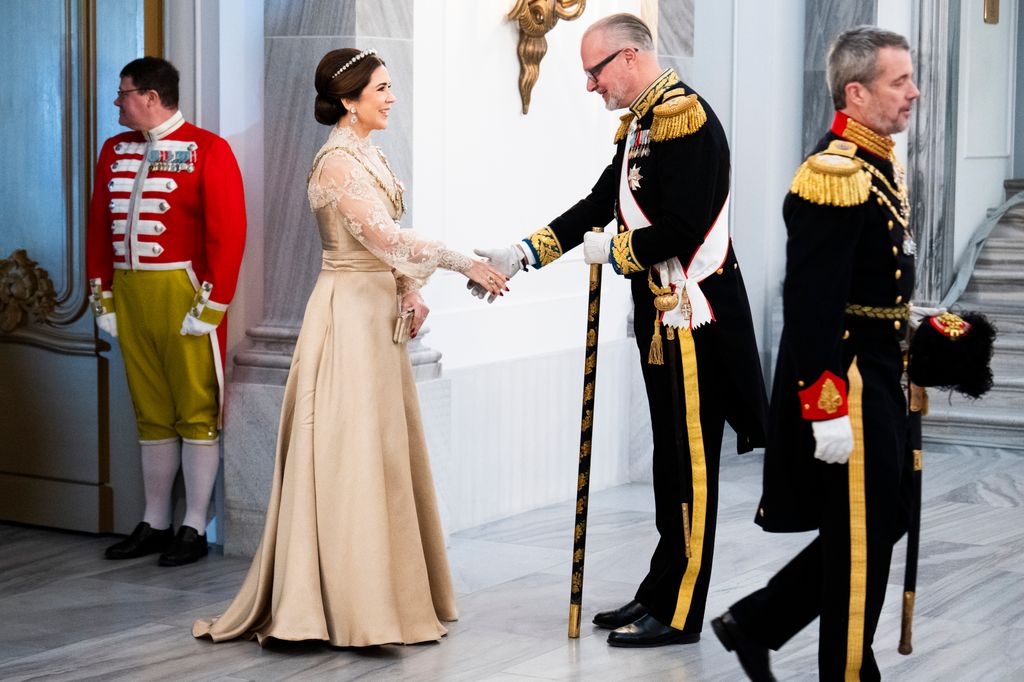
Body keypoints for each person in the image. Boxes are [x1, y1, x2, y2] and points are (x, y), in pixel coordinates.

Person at [192, 48, 507, 647]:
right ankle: (334, 606)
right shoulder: (335, 161)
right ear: (348, 100)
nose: (391, 97)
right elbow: (387, 238)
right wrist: (464, 261)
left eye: (391, 86)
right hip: (343, 317)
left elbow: (386, 251)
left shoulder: (368, 152)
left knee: (379, 455)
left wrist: (411, 290)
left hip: (375, 315)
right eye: (381, 89)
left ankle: (383, 597)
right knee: (345, 455)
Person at [473, 13, 767, 648]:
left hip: (695, 322)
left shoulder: (685, 120)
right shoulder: (643, 126)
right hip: (663, 322)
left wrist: (615, 253)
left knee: (692, 470)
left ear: (631, 57)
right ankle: (659, 590)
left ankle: (682, 609)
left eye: (593, 71)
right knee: (669, 467)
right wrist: (520, 254)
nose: (589, 85)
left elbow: (685, 228)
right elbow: (596, 205)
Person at [711, 26, 920, 681]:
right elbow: (810, 305)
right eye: (899, 82)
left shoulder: (876, 162)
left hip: (882, 375)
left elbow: (879, 291)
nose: (913, 92)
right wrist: (824, 406)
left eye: (912, 79)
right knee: (862, 538)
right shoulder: (833, 173)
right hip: (849, 386)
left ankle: (758, 623)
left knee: (881, 524)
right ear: (855, 93)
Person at [86, 57, 247, 567]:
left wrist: (213, 304)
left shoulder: (208, 149)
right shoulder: (113, 151)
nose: (118, 101)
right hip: (130, 296)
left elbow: (229, 233)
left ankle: (194, 525)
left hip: (185, 294)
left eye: (124, 93)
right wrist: (102, 294)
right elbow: (97, 228)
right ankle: (154, 520)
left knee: (197, 412)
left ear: (151, 98)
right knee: (150, 411)